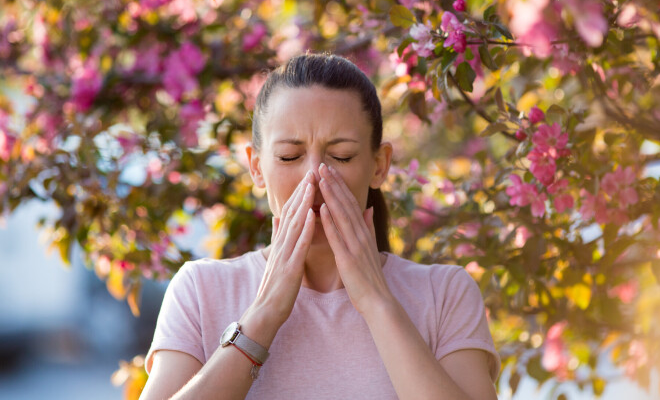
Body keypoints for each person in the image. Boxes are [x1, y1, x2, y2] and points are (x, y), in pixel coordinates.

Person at [140, 53, 500, 400]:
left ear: (379, 165)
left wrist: (377, 302)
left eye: (341, 156)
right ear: (256, 167)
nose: (313, 176)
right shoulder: (200, 291)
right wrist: (262, 316)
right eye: (289, 157)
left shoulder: (445, 294)